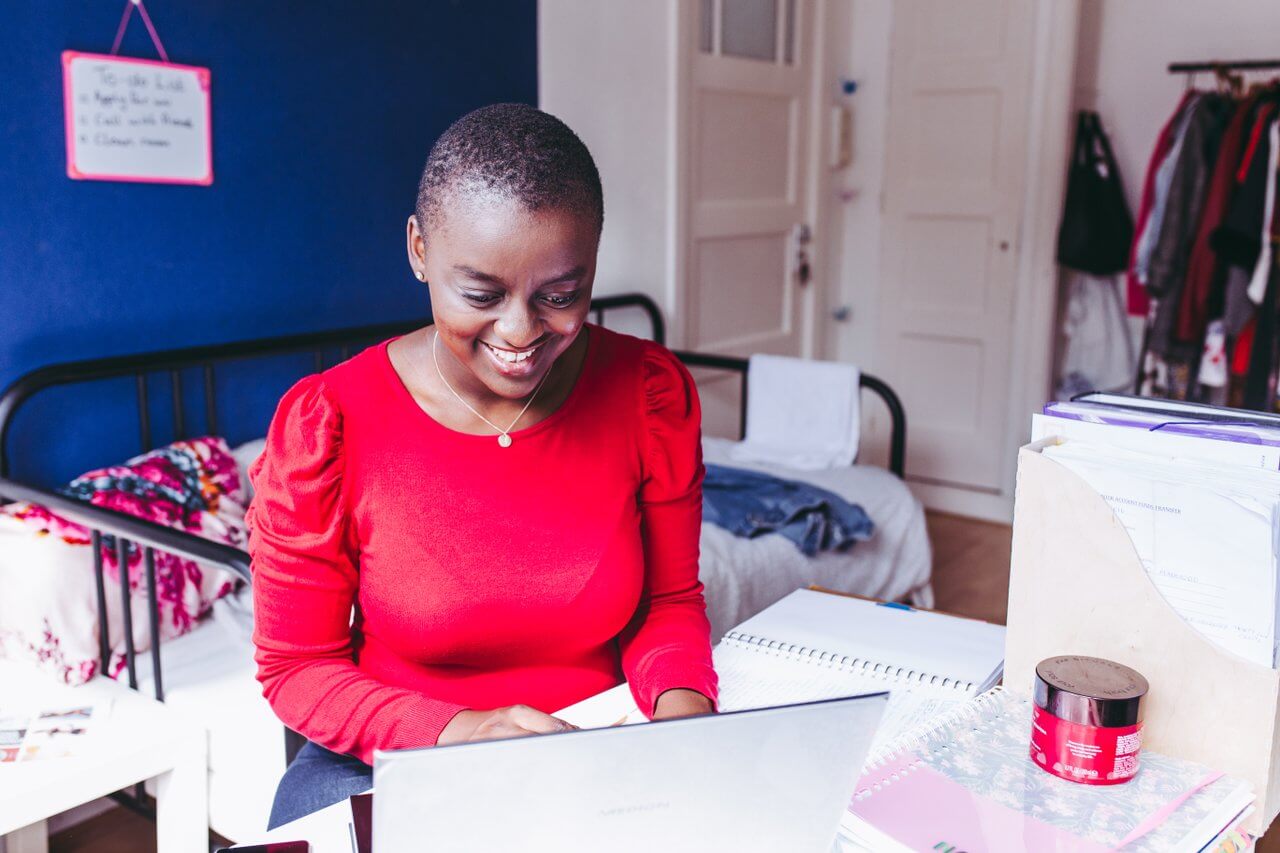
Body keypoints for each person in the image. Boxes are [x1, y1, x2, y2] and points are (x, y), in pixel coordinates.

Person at [248, 103, 719, 828]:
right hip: (392, 751)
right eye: (481, 294)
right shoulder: (330, 426)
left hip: (594, 742)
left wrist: (684, 718)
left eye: (562, 295)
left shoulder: (648, 395)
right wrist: (456, 731)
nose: (521, 332)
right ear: (417, 250)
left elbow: (668, 602)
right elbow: (296, 667)